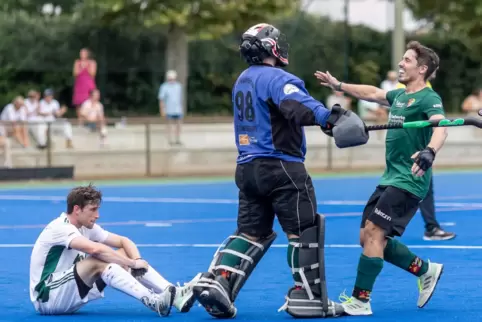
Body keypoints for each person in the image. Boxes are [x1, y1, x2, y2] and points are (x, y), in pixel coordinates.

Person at [192, 23, 369, 319]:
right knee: (303, 232)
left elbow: (281, 115)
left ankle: (220, 280)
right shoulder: (277, 77)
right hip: (282, 168)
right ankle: (308, 298)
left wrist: (326, 124)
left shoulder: (243, 79)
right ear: (271, 48)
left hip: (247, 168)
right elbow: (297, 105)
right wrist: (332, 117)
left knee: (251, 233)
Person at [315, 40, 447, 315]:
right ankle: (425, 270)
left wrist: (429, 151)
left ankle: (361, 300)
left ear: (422, 69)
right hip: (390, 177)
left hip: (410, 179)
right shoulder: (399, 96)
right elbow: (373, 93)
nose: (400, 63)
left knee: (375, 232)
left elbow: (441, 127)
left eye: (407, 60)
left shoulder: (428, 97)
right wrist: (339, 85)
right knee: (367, 238)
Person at [29, 184, 200, 316]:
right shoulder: (60, 227)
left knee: (122, 254)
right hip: (48, 298)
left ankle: (174, 294)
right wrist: (132, 263)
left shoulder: (86, 227)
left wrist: (135, 261)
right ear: (76, 209)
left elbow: (123, 241)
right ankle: (154, 301)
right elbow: (94, 249)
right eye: (93, 210)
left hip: (69, 292)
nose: (97, 215)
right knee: (98, 258)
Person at [397, 73, 456, 241]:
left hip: (419, 147)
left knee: (423, 188)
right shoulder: (406, 88)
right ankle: (430, 227)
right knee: (410, 188)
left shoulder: (426, 88)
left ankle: (431, 227)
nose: (436, 70)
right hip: (410, 148)